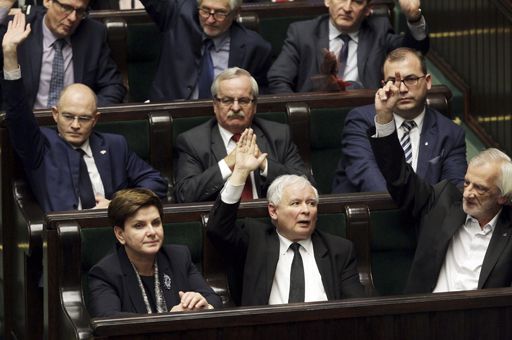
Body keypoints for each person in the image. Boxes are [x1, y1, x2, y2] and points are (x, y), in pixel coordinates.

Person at [2, 12, 167, 212]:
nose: (75, 125)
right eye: (68, 116)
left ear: (96, 119)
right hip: (66, 238)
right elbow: (18, 113)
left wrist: (118, 205)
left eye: (84, 118)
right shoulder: (41, 146)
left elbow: (156, 181)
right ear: (55, 114)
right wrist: (10, 54)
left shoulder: (115, 145)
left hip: (114, 234)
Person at [369, 74, 512, 293]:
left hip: (485, 323)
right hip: (429, 320)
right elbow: (398, 175)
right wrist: (385, 115)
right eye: (467, 183)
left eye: (480, 188)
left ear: (502, 196)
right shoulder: (443, 202)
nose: (468, 193)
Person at [206, 129, 365, 306]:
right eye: (296, 203)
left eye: (311, 203)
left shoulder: (339, 250)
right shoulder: (255, 241)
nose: (306, 210)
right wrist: (240, 173)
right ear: (273, 211)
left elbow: (355, 306)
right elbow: (217, 228)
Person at [332, 48, 467, 193]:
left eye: (410, 79)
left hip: (427, 215)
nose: (402, 89)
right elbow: (366, 174)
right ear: (384, 85)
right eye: (392, 81)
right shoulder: (361, 121)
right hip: (373, 212)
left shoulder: (451, 133)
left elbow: (454, 190)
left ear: (427, 82)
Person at [173, 67, 309, 203]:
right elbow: (185, 195)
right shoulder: (193, 141)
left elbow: (307, 185)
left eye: (243, 100)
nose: (236, 108)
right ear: (215, 105)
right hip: (221, 222)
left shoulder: (278, 135)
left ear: (254, 105)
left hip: (268, 220)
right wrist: (227, 164)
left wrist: (265, 164)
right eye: (227, 100)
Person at [88, 188, 222, 317]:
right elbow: (109, 319)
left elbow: (214, 299)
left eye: (156, 223)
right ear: (120, 234)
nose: (152, 232)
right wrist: (169, 318)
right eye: (139, 226)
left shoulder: (179, 257)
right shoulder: (105, 273)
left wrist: (203, 305)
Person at [267, 0, 429, 93]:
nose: (347, 7)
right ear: (327, 1)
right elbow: (278, 78)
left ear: (367, 10)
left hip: (368, 110)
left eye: (357, 1)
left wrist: (414, 17)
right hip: (315, 112)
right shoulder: (302, 33)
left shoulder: (378, 30)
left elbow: (413, 51)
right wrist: (300, 106)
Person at [0, 0, 125, 109]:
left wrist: (86, 112)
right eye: (66, 7)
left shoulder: (94, 34)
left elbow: (113, 86)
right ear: (47, 1)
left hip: (76, 127)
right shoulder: (17, 29)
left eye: (80, 11)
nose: (73, 18)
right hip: (27, 125)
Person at [140, 0, 272, 101]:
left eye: (220, 13)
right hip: (171, 115)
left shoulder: (254, 47)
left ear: (236, 13)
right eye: (205, 10)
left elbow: (259, 96)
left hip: (223, 122)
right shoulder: (176, 16)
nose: (210, 19)